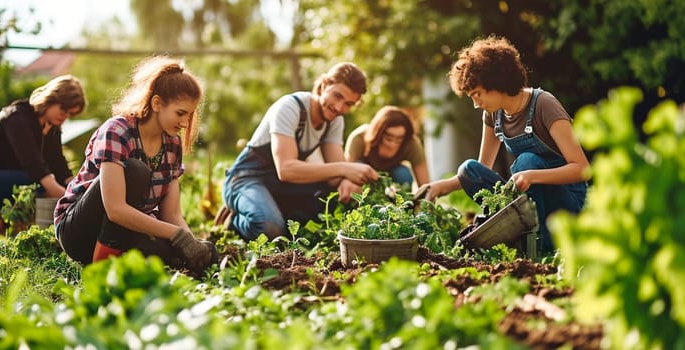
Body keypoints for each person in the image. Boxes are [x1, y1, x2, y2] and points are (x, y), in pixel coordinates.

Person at [417, 36, 590, 253]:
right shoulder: (493, 115)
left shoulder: (544, 104)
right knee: (469, 170)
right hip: (529, 198)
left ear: (496, 81)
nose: (475, 104)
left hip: (566, 203)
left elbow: (582, 169)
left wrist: (533, 175)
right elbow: (483, 170)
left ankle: (539, 246)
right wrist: (441, 187)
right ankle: (519, 235)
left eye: (477, 94)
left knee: (527, 161)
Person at [54, 56, 215, 272]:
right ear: (157, 103)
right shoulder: (118, 131)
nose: (186, 123)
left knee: (188, 255)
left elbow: (172, 214)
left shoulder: (172, 144)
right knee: (136, 171)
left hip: (124, 231)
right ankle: (101, 270)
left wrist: (191, 244)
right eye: (180, 113)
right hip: (80, 232)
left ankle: (117, 259)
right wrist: (177, 235)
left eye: (190, 115)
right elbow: (115, 210)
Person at [222, 62, 379, 240]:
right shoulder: (290, 107)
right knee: (270, 228)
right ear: (324, 84)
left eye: (348, 104)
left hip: (283, 187)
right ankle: (235, 220)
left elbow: (335, 176)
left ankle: (269, 209)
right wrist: (345, 169)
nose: (339, 107)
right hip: (247, 178)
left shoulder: (334, 121)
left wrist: (349, 180)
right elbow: (286, 169)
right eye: (337, 96)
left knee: (331, 205)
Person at [0, 75, 85, 212]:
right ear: (51, 98)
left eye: (70, 114)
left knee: (47, 183)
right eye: (64, 110)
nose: (65, 117)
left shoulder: (52, 127)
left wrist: (77, 188)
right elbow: (34, 165)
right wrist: (70, 200)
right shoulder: (17, 117)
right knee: (41, 184)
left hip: (16, 179)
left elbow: (58, 164)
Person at [344, 106, 429, 187]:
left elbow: (425, 184)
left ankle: (398, 200)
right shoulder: (360, 137)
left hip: (393, 177)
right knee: (357, 167)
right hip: (364, 176)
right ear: (377, 135)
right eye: (389, 139)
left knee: (403, 174)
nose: (393, 144)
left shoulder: (411, 143)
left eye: (399, 140)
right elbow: (346, 173)